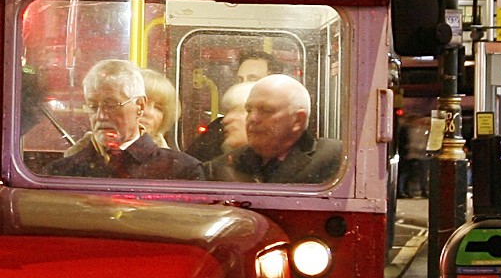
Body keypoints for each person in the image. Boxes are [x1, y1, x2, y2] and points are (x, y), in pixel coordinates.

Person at [48, 58, 207, 181]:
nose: (101, 116)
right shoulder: (60, 173)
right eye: (93, 106)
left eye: (112, 105)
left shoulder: (182, 172)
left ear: (139, 105)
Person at [208, 73, 346, 186]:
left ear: (298, 120)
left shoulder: (337, 159)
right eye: (248, 110)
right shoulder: (223, 165)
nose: (252, 119)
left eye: (266, 111)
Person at [187, 50, 276, 162]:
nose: (243, 84)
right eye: (240, 80)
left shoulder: (283, 129)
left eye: (253, 79)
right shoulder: (219, 128)